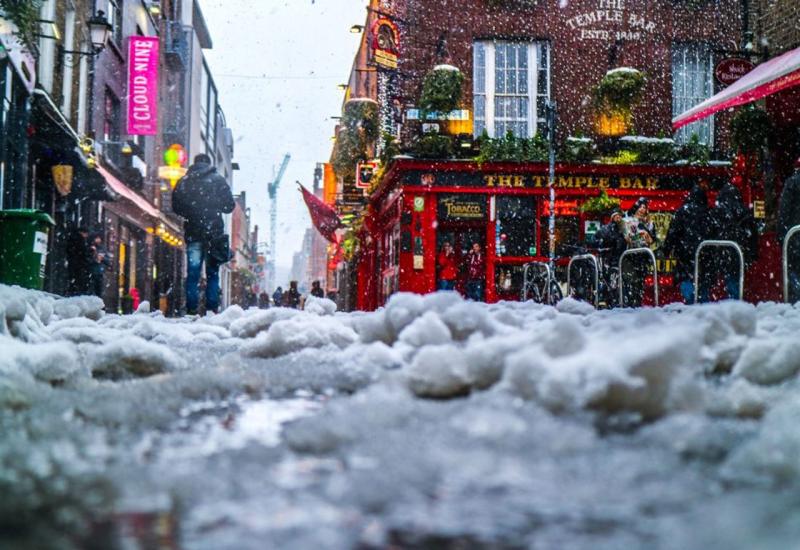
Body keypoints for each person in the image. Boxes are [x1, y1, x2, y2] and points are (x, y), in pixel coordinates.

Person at [172, 153, 235, 314]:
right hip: (214, 233)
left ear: (194, 163)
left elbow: (175, 207)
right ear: (209, 164)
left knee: (192, 274)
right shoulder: (218, 180)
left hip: (193, 232)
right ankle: (211, 309)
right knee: (213, 273)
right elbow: (229, 206)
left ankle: (191, 310)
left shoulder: (184, 181)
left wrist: (191, 212)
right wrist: (214, 206)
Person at [662, 186, 712, 304]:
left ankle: (690, 304)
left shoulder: (682, 211)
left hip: (685, 253)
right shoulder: (708, 212)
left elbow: (673, 233)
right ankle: (703, 307)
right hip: (704, 255)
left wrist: (667, 249)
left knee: (686, 280)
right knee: (703, 283)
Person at [710, 183, 758, 300]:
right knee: (736, 278)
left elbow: (711, 231)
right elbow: (752, 234)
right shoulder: (745, 211)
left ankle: (732, 302)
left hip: (723, 251)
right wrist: (752, 253)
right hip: (740, 250)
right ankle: (736, 301)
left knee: (729, 279)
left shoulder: (717, 212)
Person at [621, 197, 657, 307]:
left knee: (640, 285)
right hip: (630, 257)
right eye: (640, 207)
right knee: (630, 283)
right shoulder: (627, 221)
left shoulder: (649, 223)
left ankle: (637, 304)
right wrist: (639, 236)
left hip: (642, 258)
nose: (642, 209)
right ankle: (629, 305)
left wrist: (647, 235)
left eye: (644, 207)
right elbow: (627, 238)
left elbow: (652, 239)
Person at [778, 157, 800, 302]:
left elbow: (783, 212)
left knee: (793, 273)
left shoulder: (791, 183)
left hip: (794, 238)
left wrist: (782, 237)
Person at [66, 227, 93, 296]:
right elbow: (83, 251)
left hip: (73, 262)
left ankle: (71, 291)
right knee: (79, 279)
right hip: (78, 263)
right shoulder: (80, 240)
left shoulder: (72, 237)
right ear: (83, 233)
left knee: (73, 278)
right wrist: (90, 251)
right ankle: (75, 293)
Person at [89, 232, 112, 298]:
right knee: (91, 291)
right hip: (91, 272)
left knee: (99, 291)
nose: (98, 240)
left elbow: (108, 261)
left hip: (100, 273)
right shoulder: (90, 247)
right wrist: (94, 259)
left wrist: (102, 258)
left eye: (99, 238)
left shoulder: (102, 248)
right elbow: (86, 259)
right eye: (96, 238)